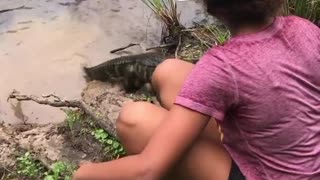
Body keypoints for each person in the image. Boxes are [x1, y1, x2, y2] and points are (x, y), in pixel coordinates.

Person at [73, 0, 320, 179]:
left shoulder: (223, 66)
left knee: (134, 120)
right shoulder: (304, 29)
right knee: (169, 72)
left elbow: (146, 171)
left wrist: (83, 174)